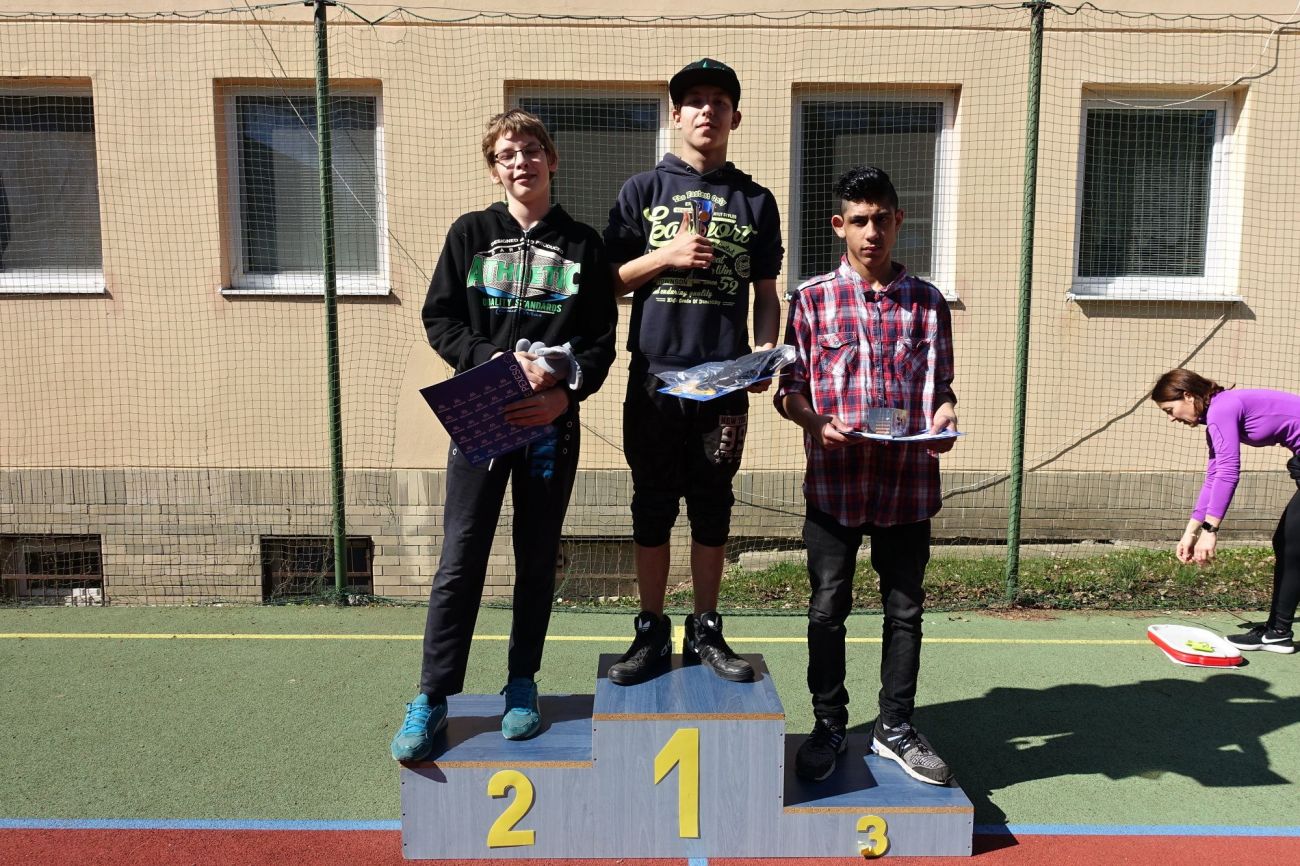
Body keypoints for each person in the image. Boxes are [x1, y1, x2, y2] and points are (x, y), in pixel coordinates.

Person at [390, 110, 618, 761]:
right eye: (507, 155)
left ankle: (521, 684)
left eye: (531, 150)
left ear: (552, 160)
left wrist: (563, 391)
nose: (521, 163)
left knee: (536, 556)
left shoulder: (583, 243)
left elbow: (600, 342)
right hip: (482, 414)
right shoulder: (470, 234)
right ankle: (433, 695)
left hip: (548, 424)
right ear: (495, 169)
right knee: (460, 555)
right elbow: (441, 319)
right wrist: (489, 359)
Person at [602, 58, 784, 686]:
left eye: (720, 102)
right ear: (676, 115)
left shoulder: (755, 200)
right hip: (655, 379)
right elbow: (609, 281)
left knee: (712, 507)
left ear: (736, 117)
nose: (708, 110)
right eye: (696, 101)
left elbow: (766, 293)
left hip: (724, 384)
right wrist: (667, 254)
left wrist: (763, 352)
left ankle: (706, 627)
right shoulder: (641, 190)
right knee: (651, 506)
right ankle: (650, 629)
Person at [775, 165, 958, 786]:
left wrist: (945, 415)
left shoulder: (928, 303)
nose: (871, 232)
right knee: (828, 608)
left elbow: (942, 388)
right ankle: (829, 724)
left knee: (905, 609)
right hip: (836, 481)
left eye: (881, 219)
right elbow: (789, 390)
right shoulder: (810, 299)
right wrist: (813, 422)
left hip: (907, 482)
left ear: (899, 220)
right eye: (859, 220)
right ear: (839, 226)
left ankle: (895, 727)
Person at [1151, 368, 1300, 654]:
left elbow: (1230, 472)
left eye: (1170, 410)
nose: (1171, 418)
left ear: (1188, 395)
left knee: (1291, 544)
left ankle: (1278, 632)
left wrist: (1210, 531)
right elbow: (1214, 475)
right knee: (1289, 544)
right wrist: (1190, 533)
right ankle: (1277, 630)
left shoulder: (1222, 408)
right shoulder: (1218, 413)